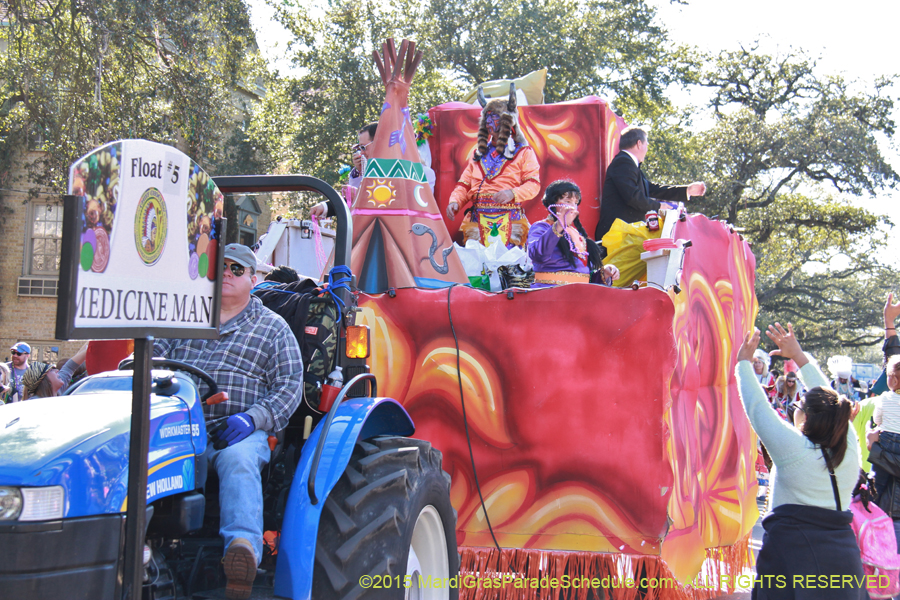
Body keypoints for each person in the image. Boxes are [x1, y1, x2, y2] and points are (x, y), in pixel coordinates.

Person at [153, 244, 303, 600]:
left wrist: (252, 420)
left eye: (237, 269)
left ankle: (242, 550)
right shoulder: (183, 318)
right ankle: (131, 544)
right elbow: (152, 358)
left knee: (238, 462)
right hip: (177, 425)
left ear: (254, 278)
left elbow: (289, 386)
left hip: (237, 432)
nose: (228, 274)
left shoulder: (273, 328)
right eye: (220, 267)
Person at [736, 323, 866, 600]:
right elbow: (832, 402)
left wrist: (742, 364)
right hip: (844, 563)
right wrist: (799, 356)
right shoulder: (849, 444)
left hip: (791, 561)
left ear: (805, 417)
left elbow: (757, 408)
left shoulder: (792, 449)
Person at [446, 84, 540, 248]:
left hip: (510, 221)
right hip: (478, 221)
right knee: (480, 268)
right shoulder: (478, 154)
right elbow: (464, 184)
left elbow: (533, 184)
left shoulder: (523, 152)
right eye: (487, 117)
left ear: (507, 120)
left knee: (508, 269)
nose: (489, 121)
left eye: (494, 117)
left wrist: (511, 193)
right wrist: (455, 201)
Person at [595, 126, 706, 243]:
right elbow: (633, 197)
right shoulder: (623, 162)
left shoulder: (630, 165)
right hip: (616, 236)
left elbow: (653, 189)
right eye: (646, 144)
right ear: (639, 144)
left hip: (625, 236)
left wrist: (686, 190)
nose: (647, 149)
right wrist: (658, 206)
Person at [527, 180, 619, 287]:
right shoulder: (541, 227)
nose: (572, 207)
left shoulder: (577, 234)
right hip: (550, 293)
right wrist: (559, 226)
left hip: (579, 295)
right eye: (567, 201)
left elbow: (585, 277)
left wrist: (604, 273)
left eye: (576, 203)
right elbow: (537, 255)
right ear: (551, 204)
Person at [871, 356, 900, 501]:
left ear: (894, 380)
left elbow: (877, 419)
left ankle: (869, 510)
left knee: (877, 485)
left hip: (885, 444)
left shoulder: (884, 398)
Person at [21, 342, 89, 400]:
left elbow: (70, 366)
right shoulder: (34, 403)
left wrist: (91, 342)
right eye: (51, 370)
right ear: (44, 381)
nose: (57, 370)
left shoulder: (56, 389)